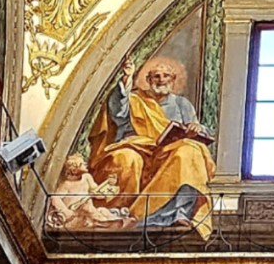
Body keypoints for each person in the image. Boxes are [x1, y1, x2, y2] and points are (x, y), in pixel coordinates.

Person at [85, 52, 214, 233]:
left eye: (166, 76)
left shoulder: (182, 105)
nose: (161, 80)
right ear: (148, 79)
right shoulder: (136, 99)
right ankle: (118, 210)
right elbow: (118, 113)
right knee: (125, 157)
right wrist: (127, 79)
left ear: (173, 79)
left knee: (190, 151)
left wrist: (195, 128)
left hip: (169, 152)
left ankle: (180, 212)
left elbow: (201, 131)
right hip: (139, 148)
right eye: (156, 76)